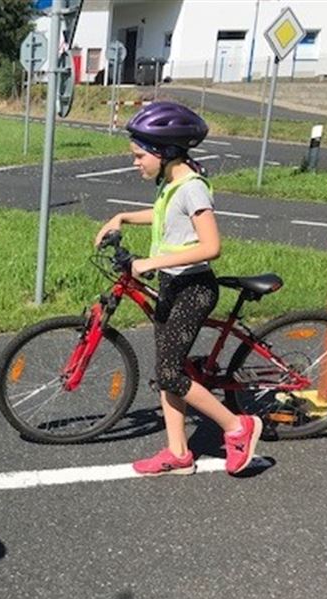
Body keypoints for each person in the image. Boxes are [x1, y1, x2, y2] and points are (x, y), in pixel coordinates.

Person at [94, 101, 262, 476]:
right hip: (173, 284)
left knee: (170, 373)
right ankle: (178, 452)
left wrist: (151, 263)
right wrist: (122, 217)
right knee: (167, 369)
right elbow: (162, 216)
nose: (135, 162)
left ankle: (238, 427)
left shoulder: (192, 189)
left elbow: (211, 246)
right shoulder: (171, 184)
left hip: (193, 289)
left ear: (165, 151)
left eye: (140, 156)